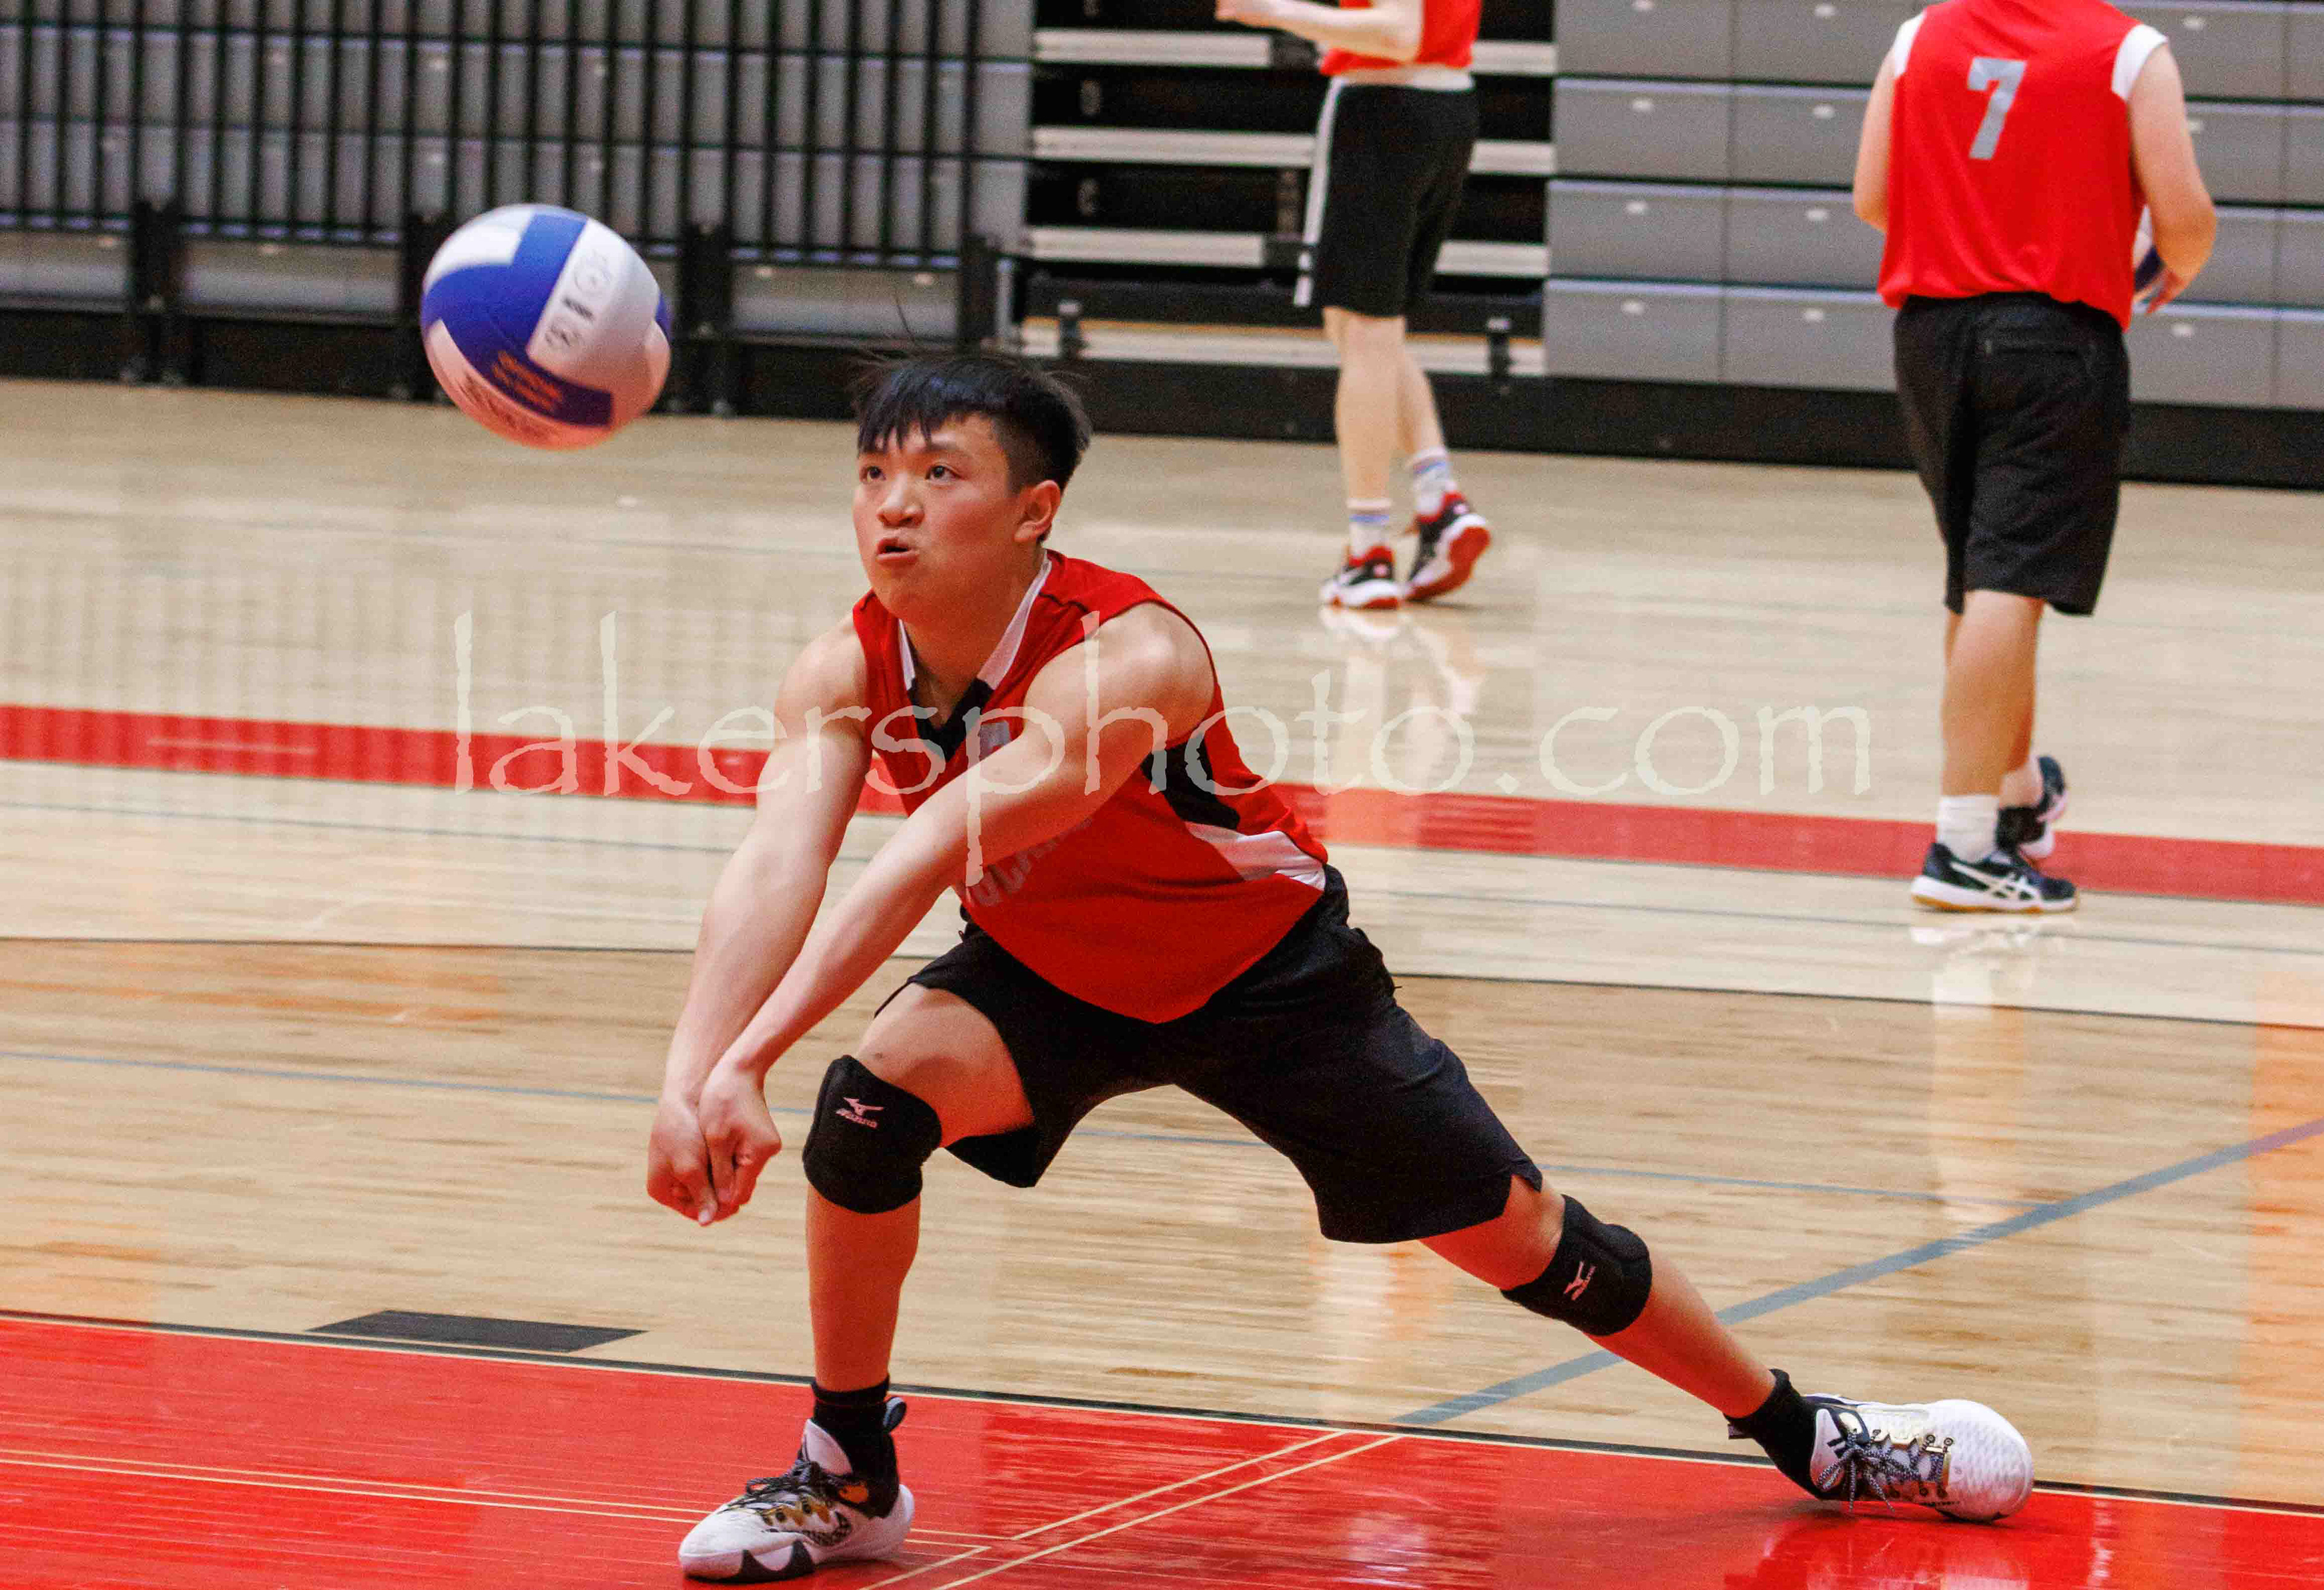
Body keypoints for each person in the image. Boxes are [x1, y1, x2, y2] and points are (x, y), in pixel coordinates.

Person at [648, 355, 2034, 1583]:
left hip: (1268, 981)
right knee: (871, 1103)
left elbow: (918, 853)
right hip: (1049, 974)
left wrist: (745, 1059)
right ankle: (849, 1474)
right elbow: (777, 863)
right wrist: (692, 1073)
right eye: (873, 474)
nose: (892, 507)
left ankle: (1811, 1433)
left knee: (1527, 1242)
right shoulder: (845, 667)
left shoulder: (1129, 654)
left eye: (939, 474)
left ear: (1034, 510)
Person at [1853, 0, 2215, 912]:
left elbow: (1874, 199)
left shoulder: (1918, 38)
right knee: (2009, 582)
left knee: (1981, 580)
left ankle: (2010, 791)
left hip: (1931, 336)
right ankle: (1965, 847)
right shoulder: (2129, 51)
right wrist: (2169, 266)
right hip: (2051, 339)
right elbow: (2185, 218)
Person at [1215, 0, 1493, 610]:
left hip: (1383, 111)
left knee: (1365, 334)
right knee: (1366, 329)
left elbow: (1396, 33)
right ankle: (1439, 499)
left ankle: (1369, 554)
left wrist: (1274, 11)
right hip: (1448, 108)